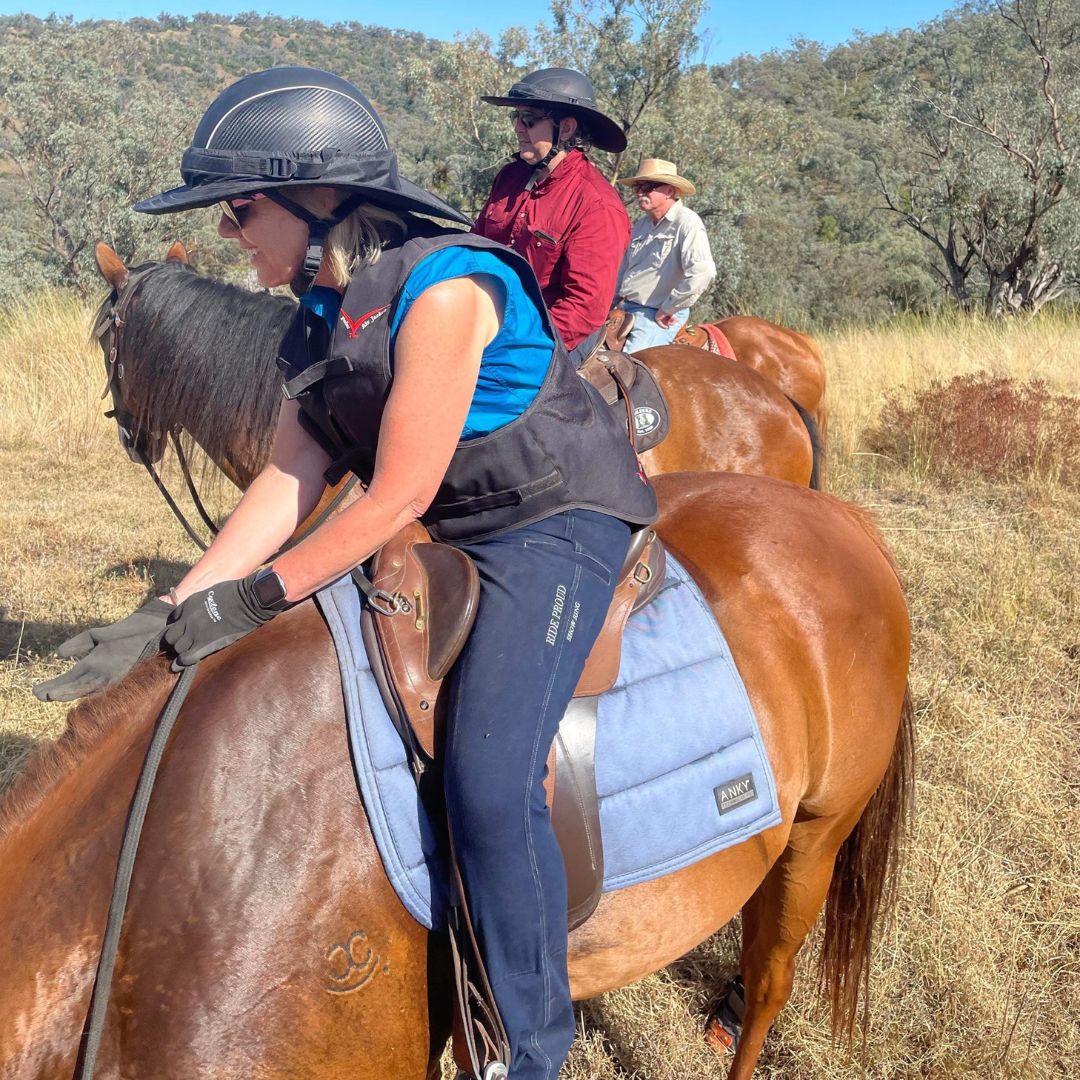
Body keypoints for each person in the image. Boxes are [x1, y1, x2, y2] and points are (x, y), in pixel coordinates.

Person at [37, 67, 657, 1080]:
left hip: (551, 521)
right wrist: (179, 603)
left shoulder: (444, 287)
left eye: (240, 210)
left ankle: (536, 1048)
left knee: (490, 782)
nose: (233, 234)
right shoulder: (313, 316)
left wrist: (257, 596)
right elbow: (291, 475)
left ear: (316, 200)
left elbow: (394, 497)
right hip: (453, 518)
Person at [474, 67, 630, 365]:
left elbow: (584, 309)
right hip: (488, 320)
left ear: (567, 128)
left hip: (548, 338)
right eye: (515, 118)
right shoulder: (510, 177)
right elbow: (474, 246)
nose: (518, 128)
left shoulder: (597, 205)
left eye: (529, 119)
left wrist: (513, 345)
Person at [615, 158, 716, 352]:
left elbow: (703, 272)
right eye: (638, 186)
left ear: (669, 191)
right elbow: (623, 270)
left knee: (630, 364)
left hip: (654, 315)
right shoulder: (641, 225)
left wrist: (669, 308)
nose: (640, 192)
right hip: (625, 309)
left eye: (648, 186)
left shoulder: (687, 223)